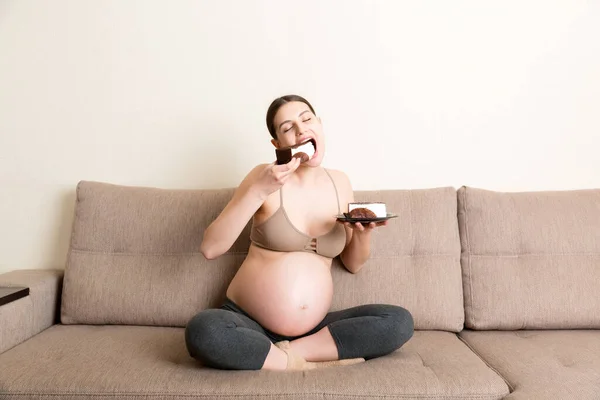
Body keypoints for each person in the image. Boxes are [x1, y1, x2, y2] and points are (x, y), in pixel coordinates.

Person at [185, 95, 414, 371]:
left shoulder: (340, 182)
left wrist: (363, 233)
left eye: (306, 119)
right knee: (203, 330)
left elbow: (353, 264)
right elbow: (211, 247)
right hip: (248, 324)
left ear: (319, 124)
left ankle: (285, 356)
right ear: (277, 145)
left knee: (398, 321)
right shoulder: (264, 176)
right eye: (287, 128)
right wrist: (260, 190)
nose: (301, 130)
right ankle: (298, 361)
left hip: (315, 332)